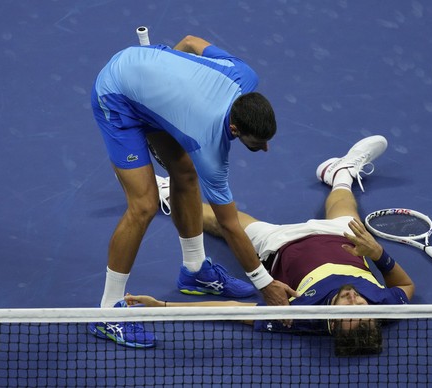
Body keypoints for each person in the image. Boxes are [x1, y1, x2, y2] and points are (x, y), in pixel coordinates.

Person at [87, 34, 298, 348]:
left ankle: (196, 271)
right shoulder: (210, 147)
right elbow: (228, 224)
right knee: (143, 206)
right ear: (235, 130)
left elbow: (189, 42)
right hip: (117, 95)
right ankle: (107, 312)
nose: (265, 148)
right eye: (257, 143)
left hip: (147, 82)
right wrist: (264, 283)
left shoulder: (243, 74)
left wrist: (169, 82)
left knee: (184, 174)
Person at [126, 135, 415, 354]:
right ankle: (341, 173)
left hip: (281, 245)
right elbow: (406, 287)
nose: (353, 300)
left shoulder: (298, 319)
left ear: (333, 323)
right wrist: (378, 254)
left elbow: (234, 312)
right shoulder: (384, 308)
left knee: (224, 223)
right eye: (361, 305)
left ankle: (165, 191)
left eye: (346, 309)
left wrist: (161, 305)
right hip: (343, 239)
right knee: (345, 205)